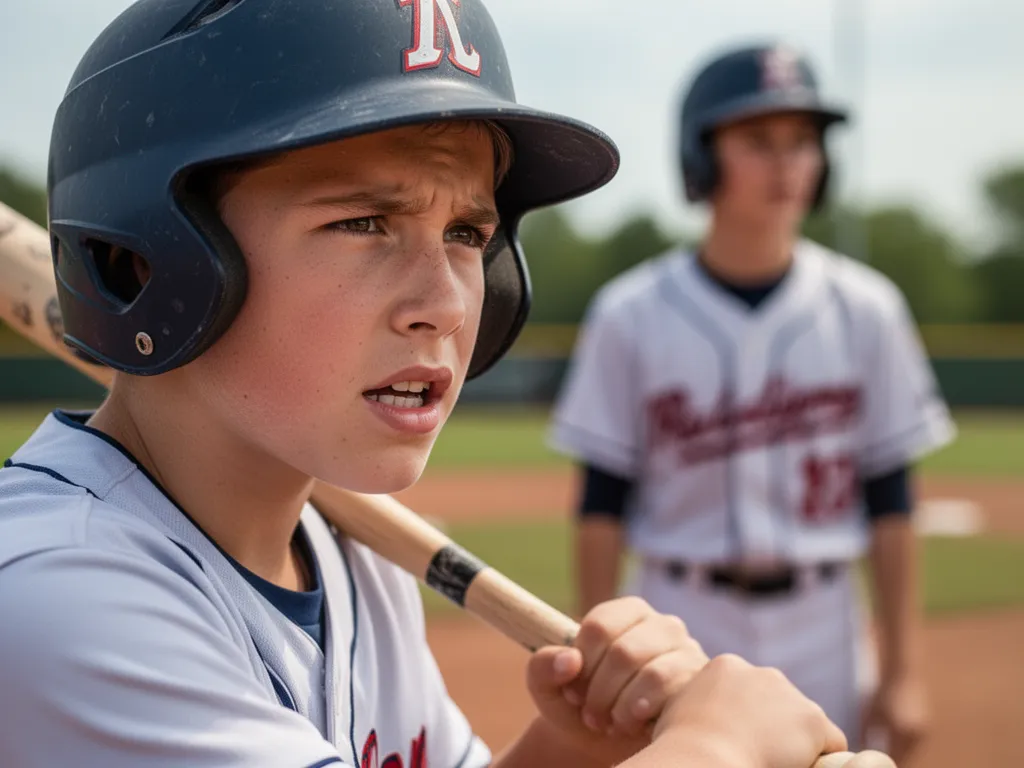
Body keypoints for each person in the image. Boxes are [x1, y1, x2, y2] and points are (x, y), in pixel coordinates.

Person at [0, 4, 858, 768]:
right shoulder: (55, 598)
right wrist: (716, 750)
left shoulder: (350, 556)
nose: (446, 305)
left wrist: (573, 749)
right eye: (364, 223)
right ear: (142, 260)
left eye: (465, 231)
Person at [549, 43, 955, 766]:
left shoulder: (867, 309)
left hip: (825, 620)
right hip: (683, 613)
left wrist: (904, 672)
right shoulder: (631, 313)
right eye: (759, 141)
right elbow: (601, 503)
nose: (787, 162)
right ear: (699, 160)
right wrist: (601, 646)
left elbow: (891, 499)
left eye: (803, 141)